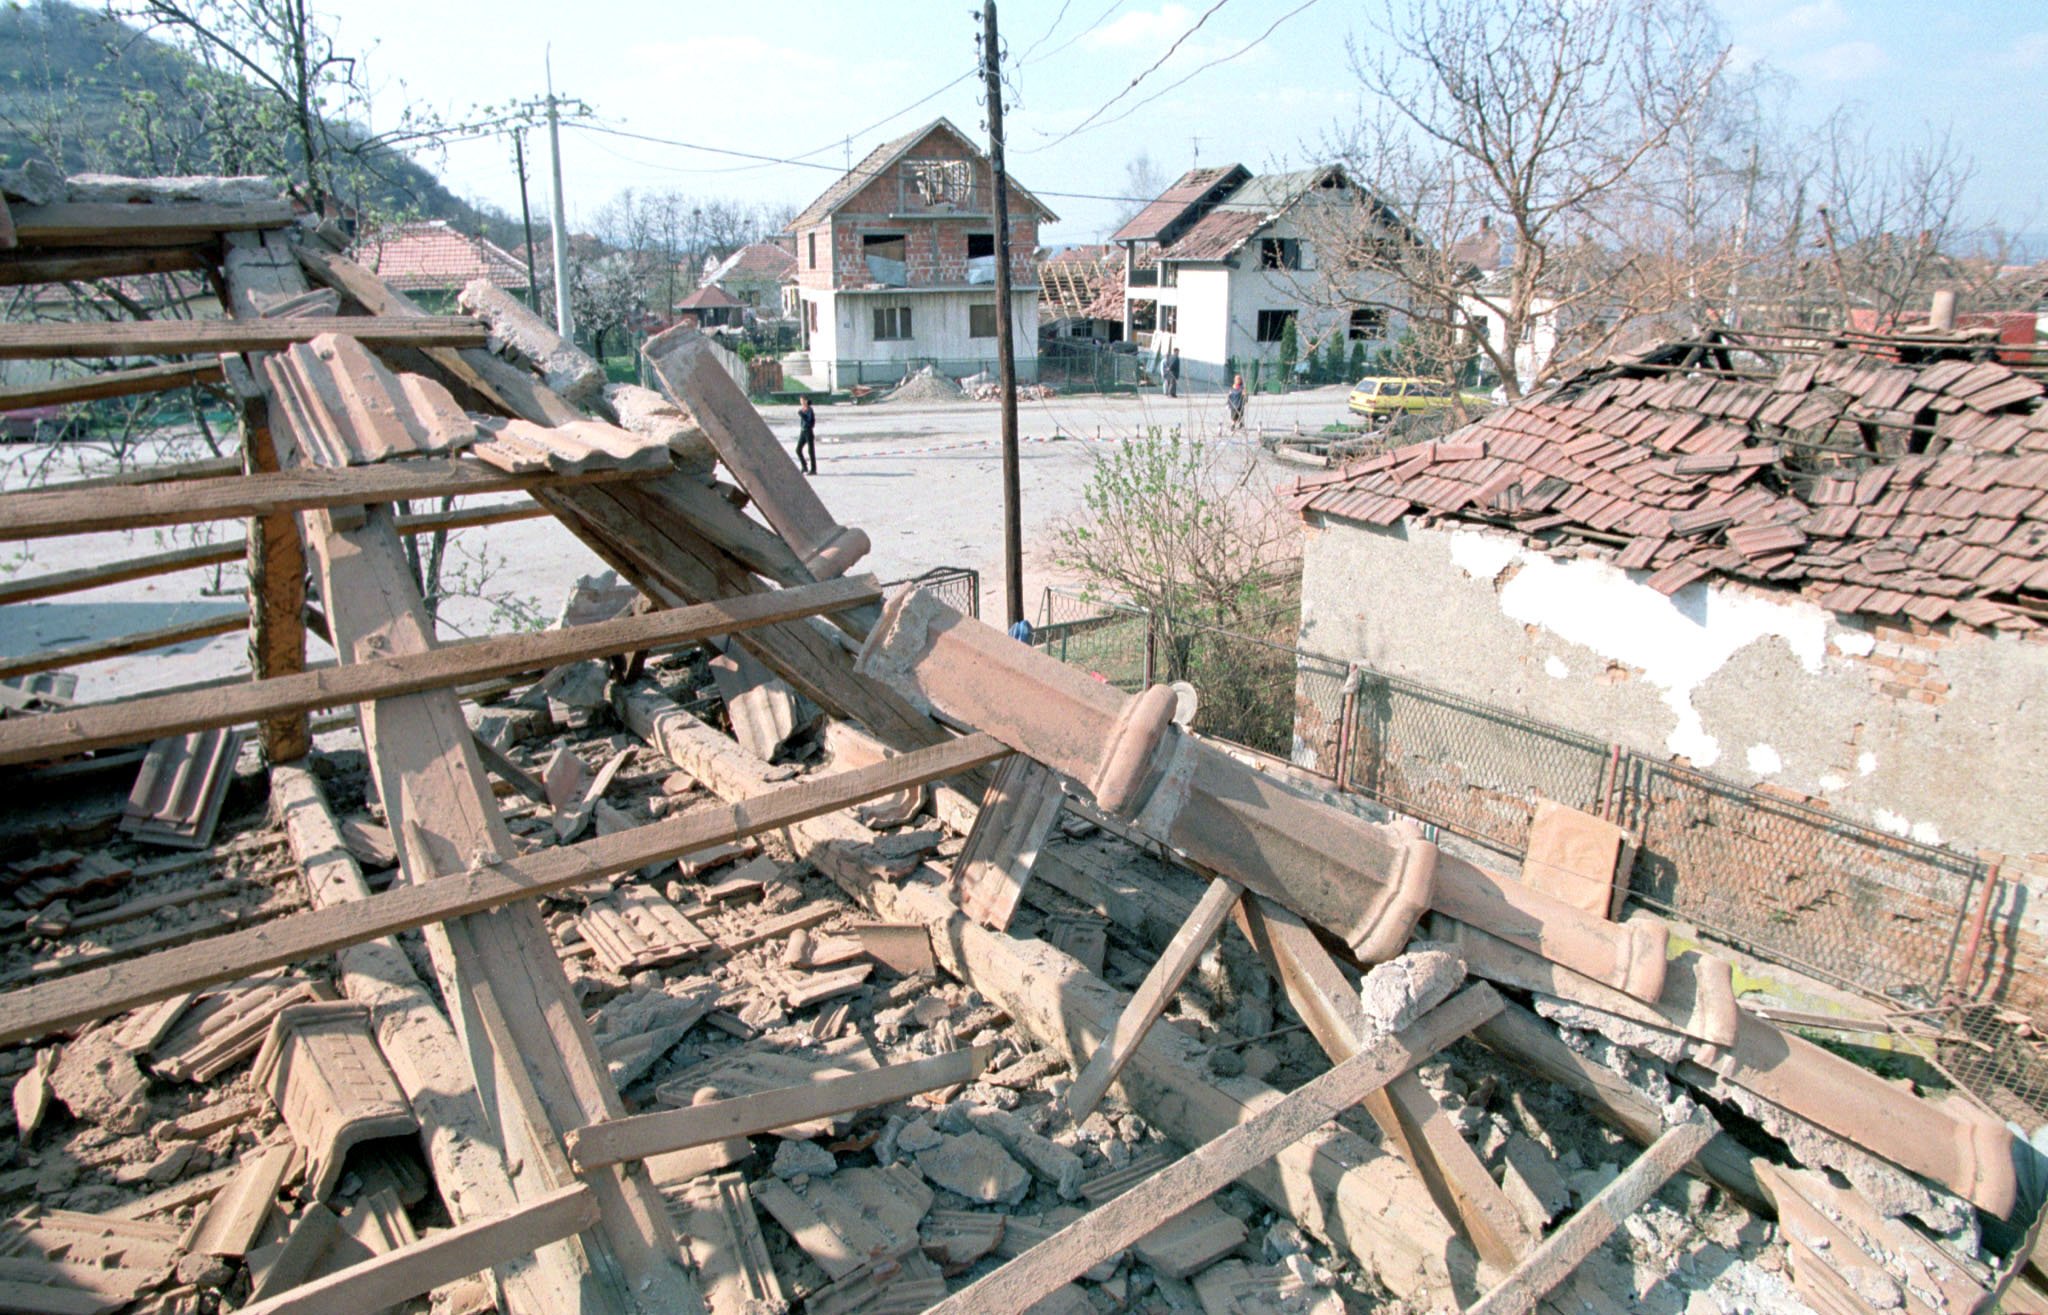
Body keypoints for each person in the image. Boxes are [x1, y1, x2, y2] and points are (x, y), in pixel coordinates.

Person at [795, 395, 818, 475]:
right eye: (800, 400)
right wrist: (801, 413)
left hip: (809, 432)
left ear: (806, 401)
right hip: (803, 431)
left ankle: (813, 469)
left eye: (802, 400)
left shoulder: (809, 410)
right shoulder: (802, 409)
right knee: (798, 450)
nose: (801, 402)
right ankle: (804, 466)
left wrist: (802, 414)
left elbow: (809, 421)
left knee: (811, 451)